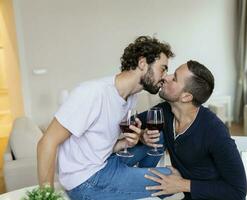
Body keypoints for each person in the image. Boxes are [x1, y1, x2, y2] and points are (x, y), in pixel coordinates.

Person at [37, 36, 174, 200]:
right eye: (163, 68)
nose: (165, 76)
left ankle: (136, 187)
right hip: (87, 180)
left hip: (106, 163)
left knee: (159, 137)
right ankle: (135, 187)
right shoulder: (92, 93)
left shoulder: (130, 97)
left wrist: (131, 141)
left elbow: (100, 146)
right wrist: (46, 197)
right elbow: (47, 142)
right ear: (143, 63)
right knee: (171, 178)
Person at [138, 60, 247, 200]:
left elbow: (238, 192)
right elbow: (133, 122)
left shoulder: (214, 131)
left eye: (174, 78)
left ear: (186, 97)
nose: (166, 77)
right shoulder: (163, 112)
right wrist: (141, 135)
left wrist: (183, 184)